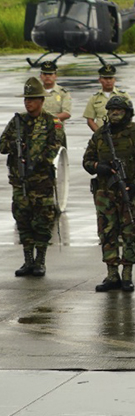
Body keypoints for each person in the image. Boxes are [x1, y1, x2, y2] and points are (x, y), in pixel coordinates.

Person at [83, 95, 135, 292]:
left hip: (129, 192)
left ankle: (127, 274)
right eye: (112, 110)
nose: (114, 114)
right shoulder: (100, 135)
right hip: (105, 193)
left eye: (119, 111)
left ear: (127, 113)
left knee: (129, 231)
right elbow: (87, 161)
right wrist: (99, 166)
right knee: (107, 232)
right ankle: (112, 273)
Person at [2, 78, 67, 278]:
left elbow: (55, 147)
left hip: (42, 181)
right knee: (23, 220)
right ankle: (28, 260)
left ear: (41, 100)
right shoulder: (17, 122)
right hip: (20, 181)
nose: (27, 103)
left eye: (31, 99)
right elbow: (2, 145)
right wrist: (15, 146)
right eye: (26, 99)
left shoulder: (51, 122)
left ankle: (40, 261)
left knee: (42, 220)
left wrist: (37, 161)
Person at [83, 64, 130, 132]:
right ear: (100, 80)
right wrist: (99, 133)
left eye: (110, 78)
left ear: (114, 79)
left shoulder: (123, 95)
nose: (108, 81)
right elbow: (90, 120)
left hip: (121, 135)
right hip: (102, 135)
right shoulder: (94, 98)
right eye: (105, 78)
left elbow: (129, 116)